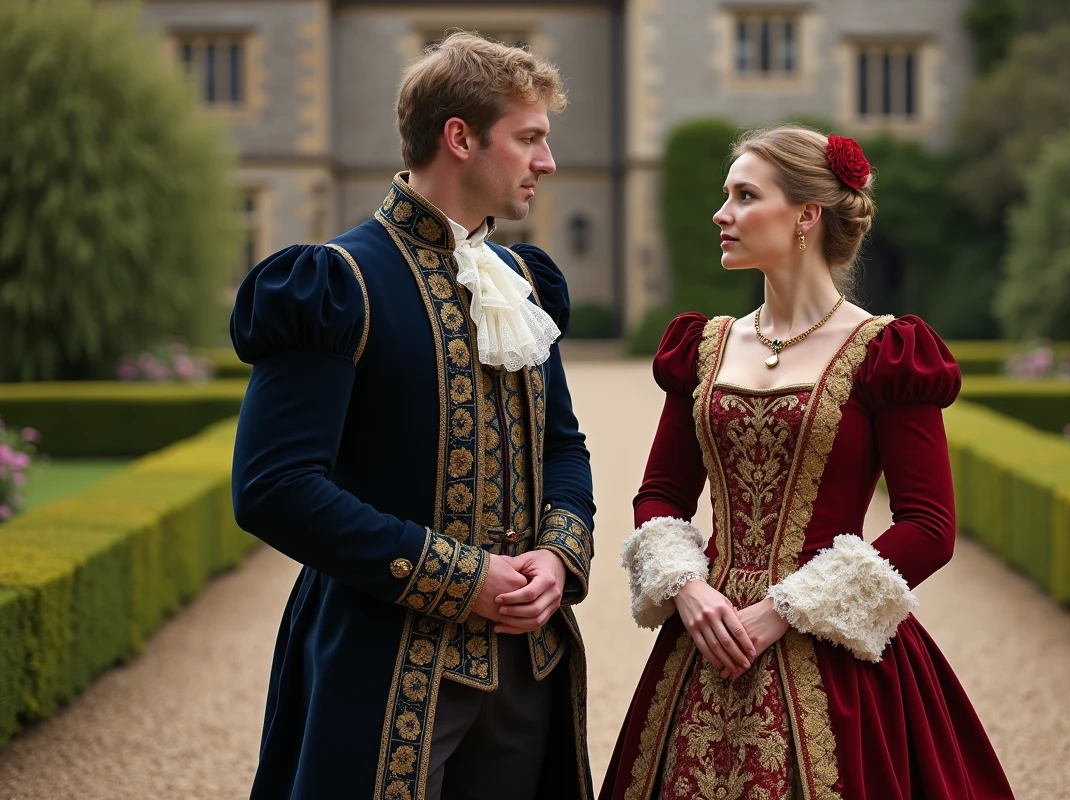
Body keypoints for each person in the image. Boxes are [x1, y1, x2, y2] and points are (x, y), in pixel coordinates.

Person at [230, 32, 595, 800]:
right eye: (529, 138)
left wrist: (557, 558)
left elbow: (562, 446)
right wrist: (465, 579)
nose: (547, 162)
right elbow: (276, 487)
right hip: (382, 664)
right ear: (459, 138)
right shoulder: (336, 281)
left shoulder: (525, 283)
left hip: (527, 666)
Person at [601, 125, 1014, 800]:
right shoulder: (702, 346)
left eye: (743, 195)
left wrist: (783, 611)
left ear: (806, 216)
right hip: (703, 645)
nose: (721, 214)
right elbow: (660, 495)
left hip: (830, 658)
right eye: (724, 195)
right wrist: (689, 590)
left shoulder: (887, 351)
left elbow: (929, 526)